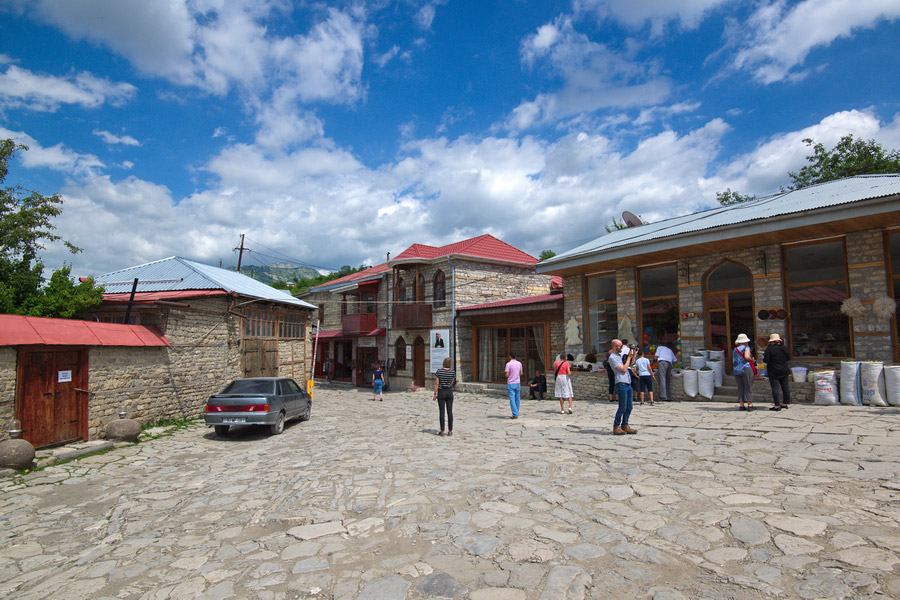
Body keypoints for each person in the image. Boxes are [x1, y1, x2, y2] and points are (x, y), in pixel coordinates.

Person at [608, 339, 637, 435]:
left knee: (629, 406)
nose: (622, 348)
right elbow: (624, 369)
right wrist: (628, 357)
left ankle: (625, 424)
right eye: (621, 346)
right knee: (622, 407)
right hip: (621, 383)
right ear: (615, 347)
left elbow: (630, 365)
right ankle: (616, 426)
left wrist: (633, 355)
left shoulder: (619, 356)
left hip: (627, 382)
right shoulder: (612, 357)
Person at [763, 333, 791, 411]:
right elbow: (788, 358)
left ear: (772, 342)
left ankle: (777, 405)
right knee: (785, 387)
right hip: (784, 370)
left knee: (775, 388)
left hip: (773, 370)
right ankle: (785, 403)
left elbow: (766, 360)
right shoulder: (784, 348)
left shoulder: (770, 349)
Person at [433, 357, 456, 435]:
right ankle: (450, 431)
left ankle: (442, 430)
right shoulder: (452, 372)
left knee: (442, 411)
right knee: (450, 411)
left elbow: (437, 383)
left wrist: (435, 394)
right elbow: (452, 381)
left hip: (441, 392)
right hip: (449, 392)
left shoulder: (439, 371)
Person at [733, 333, 755, 411]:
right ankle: (750, 404)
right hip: (745, 368)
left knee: (740, 387)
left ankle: (741, 405)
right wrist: (751, 360)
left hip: (736, 370)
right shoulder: (746, 348)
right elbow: (747, 357)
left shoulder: (735, 349)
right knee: (748, 386)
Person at [505, 351, 523, 419]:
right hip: (517, 382)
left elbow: (507, 374)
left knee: (512, 399)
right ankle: (516, 411)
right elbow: (521, 373)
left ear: (510, 356)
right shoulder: (519, 363)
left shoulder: (508, 364)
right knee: (517, 398)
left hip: (511, 382)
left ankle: (515, 414)